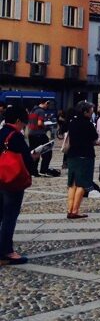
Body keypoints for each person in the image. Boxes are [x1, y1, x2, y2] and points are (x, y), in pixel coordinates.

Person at [0, 106, 40, 264]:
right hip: (12, 182)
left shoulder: (1, 132)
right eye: (23, 123)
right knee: (10, 216)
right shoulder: (15, 136)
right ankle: (6, 252)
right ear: (17, 121)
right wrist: (35, 157)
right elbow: (26, 160)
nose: (24, 126)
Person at [64, 102, 98, 219]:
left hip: (72, 155)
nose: (92, 112)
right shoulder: (88, 124)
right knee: (82, 184)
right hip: (85, 155)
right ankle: (75, 210)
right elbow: (94, 139)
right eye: (91, 110)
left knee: (72, 183)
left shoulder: (72, 123)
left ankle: (69, 209)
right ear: (85, 112)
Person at [28, 99, 55, 177]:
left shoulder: (32, 110)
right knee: (47, 152)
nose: (48, 106)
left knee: (34, 153)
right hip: (39, 134)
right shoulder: (41, 111)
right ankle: (44, 170)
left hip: (31, 134)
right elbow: (40, 123)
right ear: (44, 103)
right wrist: (45, 126)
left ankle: (33, 171)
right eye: (47, 104)